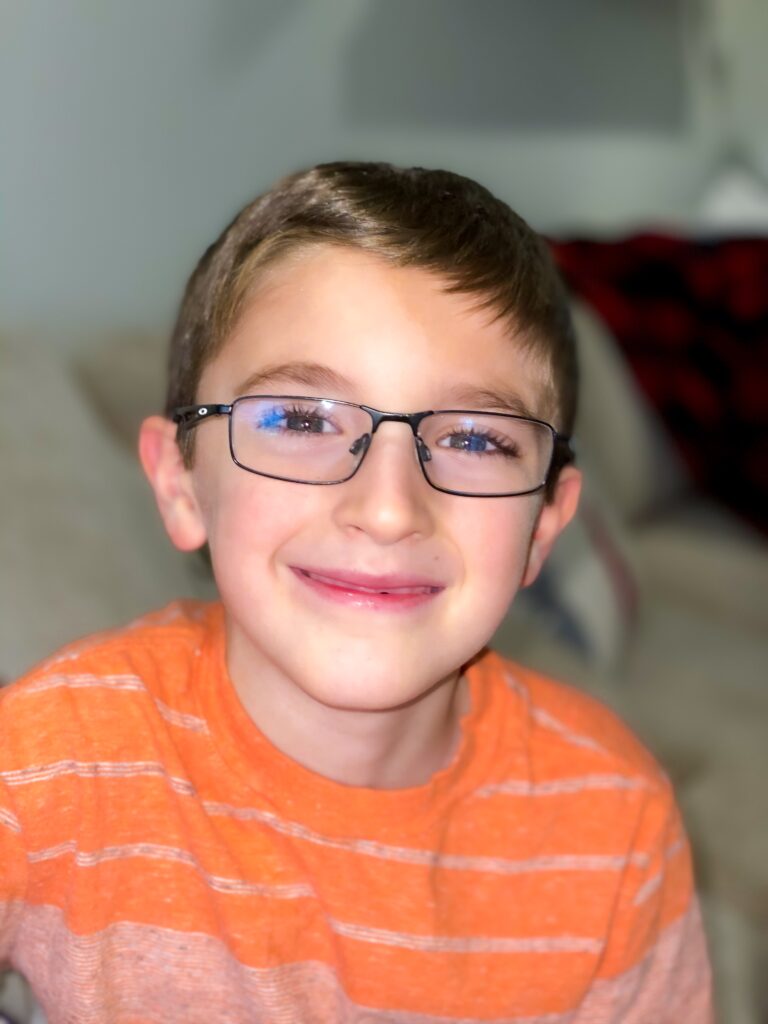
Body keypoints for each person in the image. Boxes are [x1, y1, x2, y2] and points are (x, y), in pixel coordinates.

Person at [0, 162, 713, 1022]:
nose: (385, 509)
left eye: (477, 440)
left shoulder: (615, 824)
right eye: (301, 421)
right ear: (182, 484)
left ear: (544, 529)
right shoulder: (43, 761)